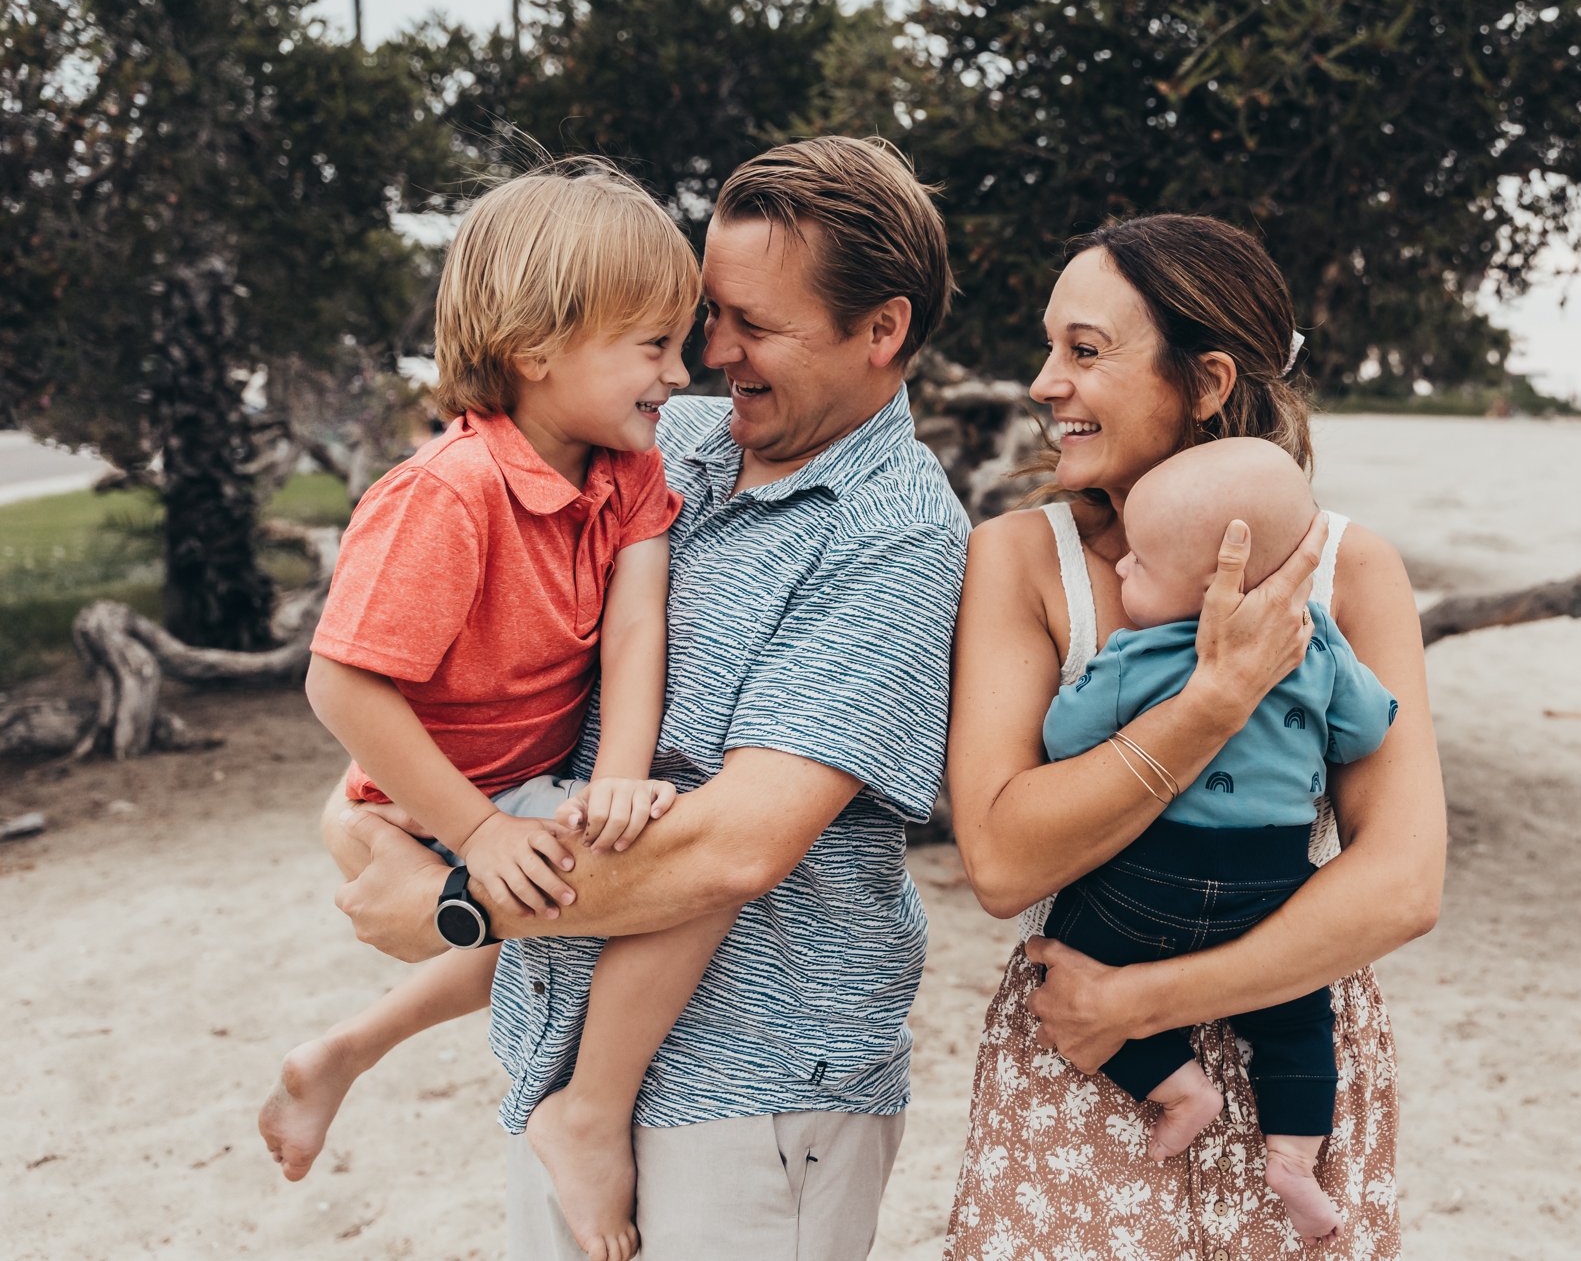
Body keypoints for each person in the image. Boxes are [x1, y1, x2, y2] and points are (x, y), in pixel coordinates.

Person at [322, 136, 968, 1261]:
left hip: (753, 1089)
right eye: (700, 315)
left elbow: (732, 851)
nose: (708, 356)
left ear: (882, 331)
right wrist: (373, 814)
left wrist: (452, 905)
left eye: (749, 326)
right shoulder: (646, 442)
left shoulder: (894, 533)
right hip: (554, 1043)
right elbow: (451, 671)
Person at [258, 158, 737, 1261]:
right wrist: (474, 833)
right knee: (699, 874)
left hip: (523, 786)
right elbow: (338, 682)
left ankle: (340, 1053)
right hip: (442, 795)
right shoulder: (448, 494)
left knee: (672, 864)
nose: (680, 372)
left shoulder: (628, 472)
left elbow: (633, 627)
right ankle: (586, 1113)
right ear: (536, 350)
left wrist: (619, 771)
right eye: (651, 346)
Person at [945, 214, 1445, 1258]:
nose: (1043, 382)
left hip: (1274, 1052)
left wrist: (1136, 998)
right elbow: (998, 859)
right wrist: (1212, 702)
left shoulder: (1351, 572)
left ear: (1206, 380)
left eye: (1084, 351)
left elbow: (1402, 881)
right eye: (1049, 348)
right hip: (1083, 1071)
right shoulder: (1016, 558)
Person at [1038, 435, 1400, 1241]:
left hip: (1149, 880)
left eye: (1138, 561)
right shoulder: (1317, 641)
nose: (1122, 570)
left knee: (1067, 952)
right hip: (1271, 885)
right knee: (1299, 1010)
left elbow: (1064, 739)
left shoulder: (1141, 651)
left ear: (1212, 586)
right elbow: (1370, 727)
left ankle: (1178, 1088)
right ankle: (1295, 1156)